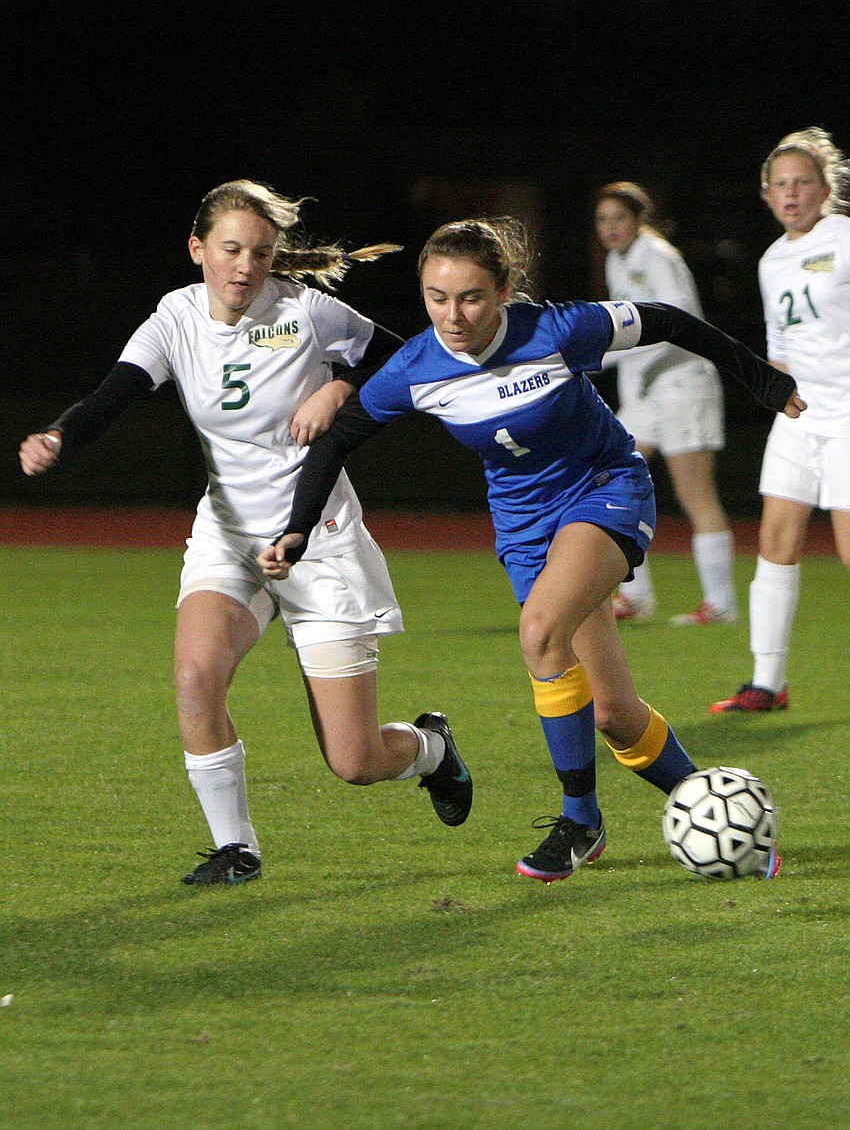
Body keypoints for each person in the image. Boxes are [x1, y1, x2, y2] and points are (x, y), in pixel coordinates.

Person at [258, 217, 802, 882]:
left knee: (541, 631)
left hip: (604, 489)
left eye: (471, 297)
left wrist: (759, 377)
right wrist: (297, 527)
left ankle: (579, 820)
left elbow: (667, 320)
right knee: (614, 714)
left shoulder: (558, 329)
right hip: (524, 528)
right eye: (436, 297)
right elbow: (339, 438)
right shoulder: (418, 367)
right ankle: (723, 818)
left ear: (503, 291)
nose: (453, 315)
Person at [19, 179, 472, 886]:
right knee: (195, 676)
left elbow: (407, 357)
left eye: (260, 253)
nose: (245, 267)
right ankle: (237, 848)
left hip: (318, 538)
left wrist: (340, 388)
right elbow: (114, 395)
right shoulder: (175, 318)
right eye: (231, 250)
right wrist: (58, 435)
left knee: (354, 761)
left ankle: (431, 748)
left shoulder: (305, 310)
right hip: (229, 536)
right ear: (197, 249)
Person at [710, 127, 850, 713]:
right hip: (799, 417)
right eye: (781, 184)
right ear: (767, 194)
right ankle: (767, 683)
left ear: (826, 189)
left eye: (803, 183)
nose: (791, 194)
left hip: (848, 417)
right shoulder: (772, 260)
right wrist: (778, 391)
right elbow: (781, 348)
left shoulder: (844, 239)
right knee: (775, 542)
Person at [594, 182, 737, 626]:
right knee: (609, 478)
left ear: (640, 219)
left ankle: (721, 604)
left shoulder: (658, 256)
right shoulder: (617, 260)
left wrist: (604, 356)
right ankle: (635, 594)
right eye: (602, 220)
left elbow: (679, 322)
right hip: (647, 392)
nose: (610, 228)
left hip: (683, 382)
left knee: (695, 493)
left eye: (619, 217)